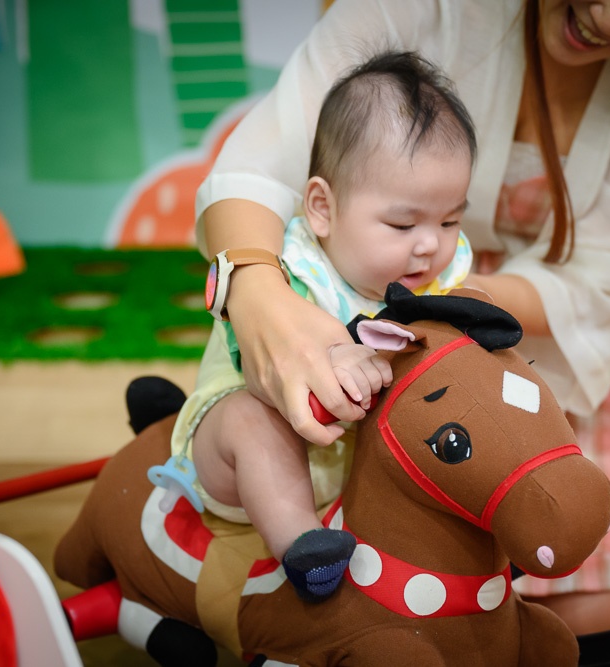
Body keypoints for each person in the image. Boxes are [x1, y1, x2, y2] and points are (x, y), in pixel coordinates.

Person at [193, 0, 610, 633]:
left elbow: (592, 285)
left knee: (594, 603)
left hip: (532, 321)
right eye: (401, 220)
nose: (609, 16)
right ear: (323, 208)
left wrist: (452, 306)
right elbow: (254, 172)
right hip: (386, 322)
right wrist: (258, 293)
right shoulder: (313, 255)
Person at [163, 50, 478, 603]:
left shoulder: (439, 277)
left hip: (360, 479)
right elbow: (262, 357)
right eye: (402, 222)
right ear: (322, 208)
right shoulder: (294, 271)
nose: (431, 244)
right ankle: (304, 545)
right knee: (251, 422)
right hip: (241, 462)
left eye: (450, 219)